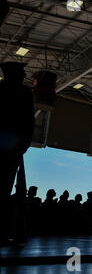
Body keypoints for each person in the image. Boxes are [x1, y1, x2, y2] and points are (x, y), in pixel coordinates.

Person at [0, 62, 34, 245]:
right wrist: (23, 145)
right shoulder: (24, 93)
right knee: (4, 189)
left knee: (5, 190)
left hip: (12, 149)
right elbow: (28, 122)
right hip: (12, 150)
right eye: (21, 72)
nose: (24, 74)